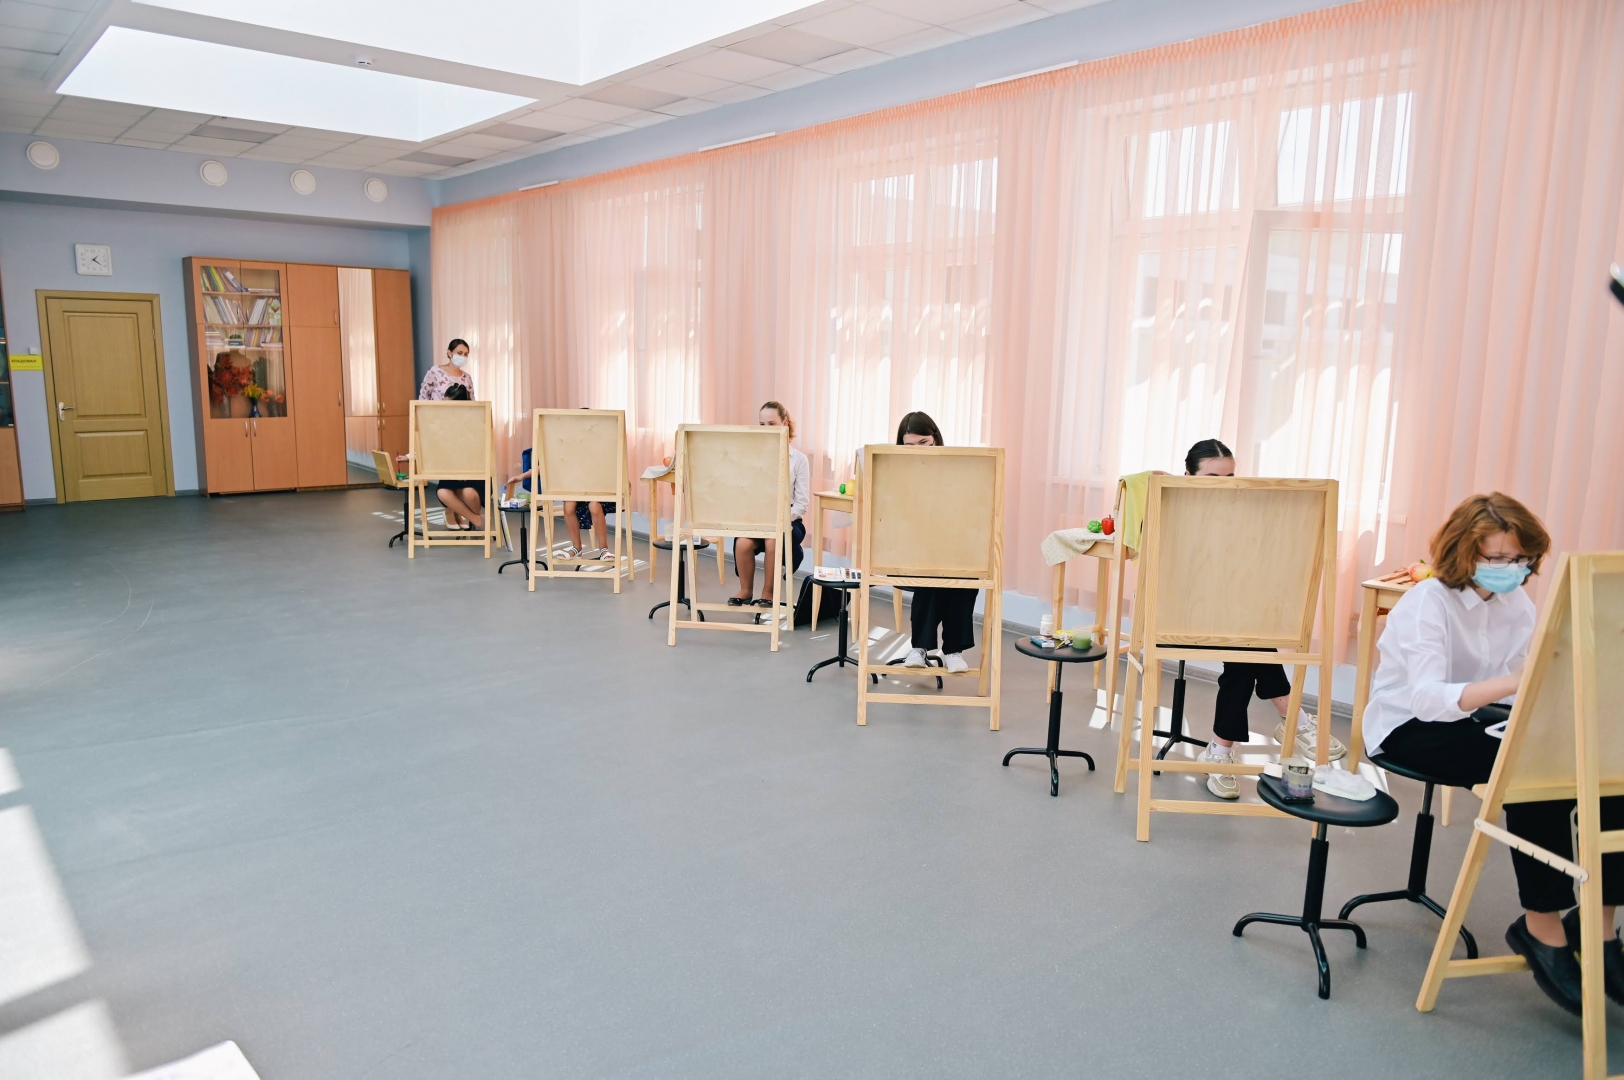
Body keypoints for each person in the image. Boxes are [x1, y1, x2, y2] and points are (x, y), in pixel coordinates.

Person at [1363, 492, 1620, 1016]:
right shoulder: (1427, 602)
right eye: (1497, 558)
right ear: (1464, 551)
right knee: (1529, 774)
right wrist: (1516, 683)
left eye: (1520, 559)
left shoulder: (1517, 605)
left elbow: (1511, 694)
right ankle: (1541, 928)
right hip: (1408, 725)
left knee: (1605, 769)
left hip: (1478, 716)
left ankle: (1601, 926)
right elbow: (1427, 699)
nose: (1511, 568)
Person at [1182, 438, 1347, 800]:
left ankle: (1220, 753)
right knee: (1249, 643)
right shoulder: (1169, 510)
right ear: (1188, 476)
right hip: (1182, 617)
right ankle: (1293, 718)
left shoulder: (1242, 515)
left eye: (1231, 478)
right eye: (1212, 478)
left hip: (1234, 619)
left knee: (1245, 651)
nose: (1225, 486)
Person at [894, 411, 976, 675]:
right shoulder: (896, 472)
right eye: (909, 445)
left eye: (924, 443)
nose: (918, 450)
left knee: (965, 569)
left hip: (948, 547)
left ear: (936, 440)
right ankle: (920, 646)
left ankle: (952, 650)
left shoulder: (954, 470)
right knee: (931, 568)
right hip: (909, 550)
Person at [730, 401, 809, 608]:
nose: (766, 429)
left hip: (789, 521)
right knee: (743, 543)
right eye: (762, 424)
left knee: (773, 540)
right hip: (759, 518)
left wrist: (781, 519)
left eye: (772, 424)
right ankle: (746, 590)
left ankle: (768, 592)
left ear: (784, 424)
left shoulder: (799, 460)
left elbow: (801, 504)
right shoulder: (753, 457)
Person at [418, 338, 482, 532]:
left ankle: (458, 511)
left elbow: (473, 405)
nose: (462, 357)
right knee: (447, 471)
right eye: (459, 353)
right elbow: (423, 398)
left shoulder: (467, 378)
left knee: (460, 473)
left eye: (466, 354)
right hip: (438, 429)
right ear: (449, 352)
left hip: (460, 431)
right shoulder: (435, 372)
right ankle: (449, 511)